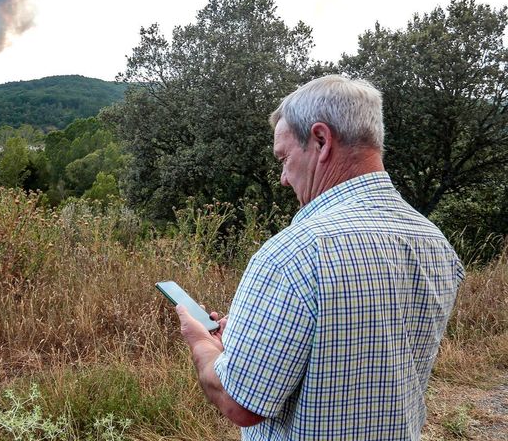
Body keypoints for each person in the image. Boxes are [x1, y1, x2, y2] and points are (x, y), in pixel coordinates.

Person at [176, 75, 464, 440]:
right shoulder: (435, 242)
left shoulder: (294, 254)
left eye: (284, 158)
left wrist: (202, 343)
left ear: (321, 140)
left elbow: (239, 403)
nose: (283, 178)